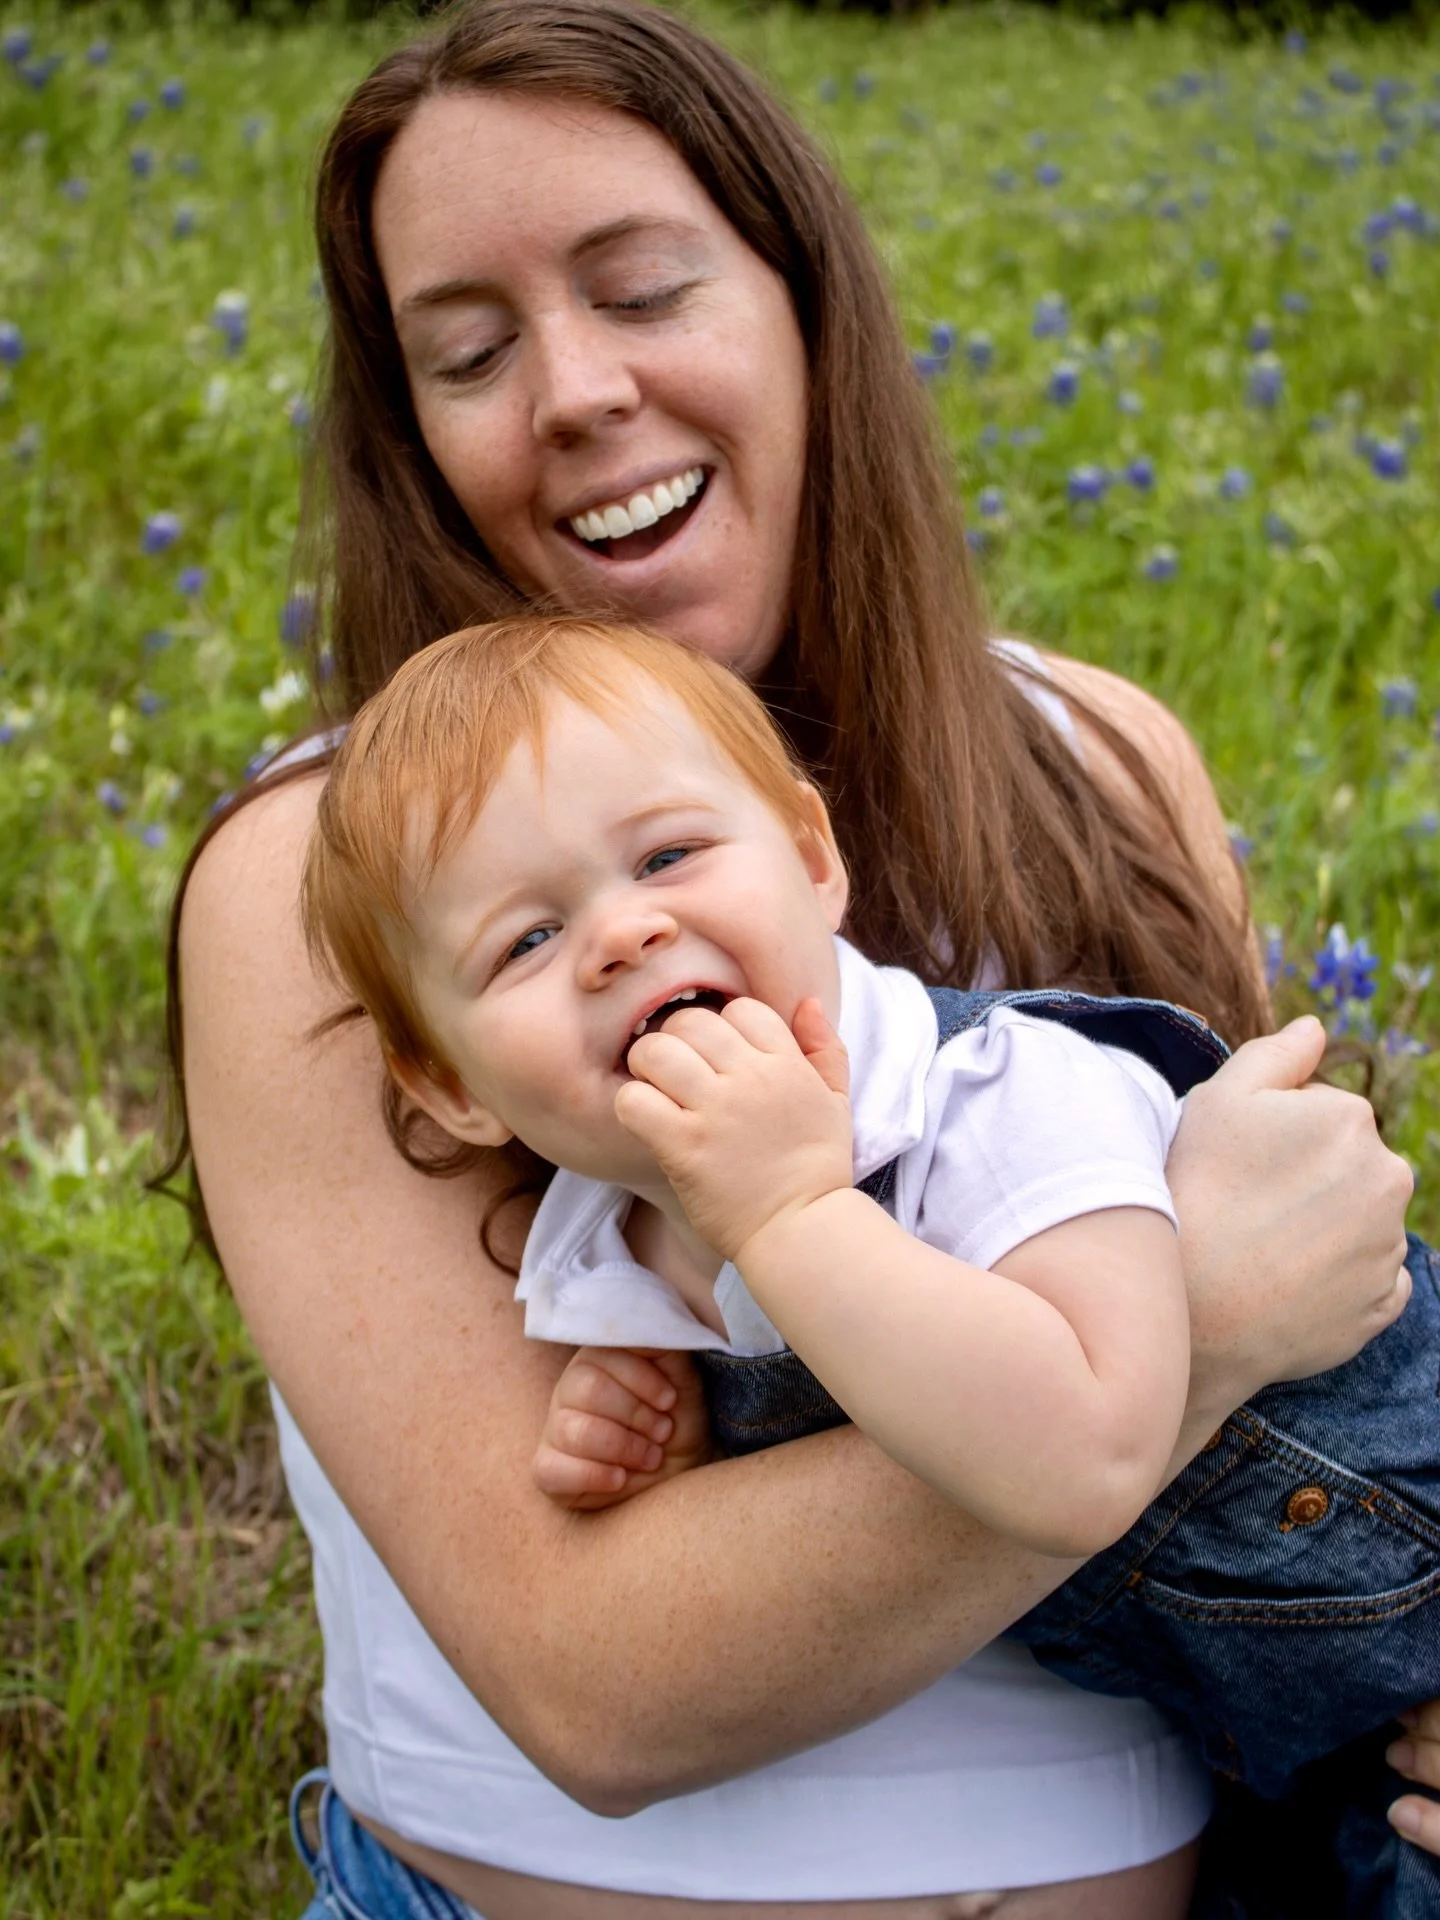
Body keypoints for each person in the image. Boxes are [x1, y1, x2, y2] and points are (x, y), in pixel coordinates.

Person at [163, 0, 1430, 1913]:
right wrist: (1196, 1327)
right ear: (410, 432)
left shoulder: (1100, 756)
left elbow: (1306, 1479)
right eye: (471, 351)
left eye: (644, 287)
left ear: (803, 302)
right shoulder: (325, 878)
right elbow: (597, 1689)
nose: (575, 390)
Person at [303, 613, 1440, 1917]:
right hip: (1291, 1747)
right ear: (452, 1085)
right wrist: (661, 1432)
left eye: (669, 854)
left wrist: (793, 1217)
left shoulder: (1000, 1101)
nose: (620, 935)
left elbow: (1092, 1450)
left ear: (809, 856)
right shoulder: (597, 1245)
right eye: (526, 941)